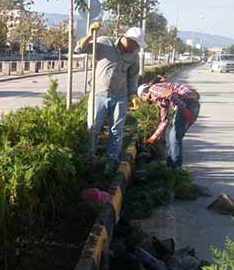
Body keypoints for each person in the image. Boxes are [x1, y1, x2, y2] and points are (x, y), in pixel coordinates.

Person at [75, 22, 145, 172]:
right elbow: (79, 48)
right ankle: (89, 159)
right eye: (136, 44)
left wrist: (132, 94)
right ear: (127, 39)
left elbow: (132, 76)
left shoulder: (133, 56)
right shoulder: (104, 43)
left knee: (116, 130)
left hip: (120, 96)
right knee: (93, 128)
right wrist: (90, 34)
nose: (137, 48)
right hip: (98, 95)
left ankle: (111, 162)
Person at [137, 82, 200, 168]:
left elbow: (170, 94)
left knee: (174, 137)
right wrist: (152, 138)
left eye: (142, 99)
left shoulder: (153, 89)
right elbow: (164, 122)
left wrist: (184, 109)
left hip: (188, 102)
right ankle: (170, 166)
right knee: (172, 137)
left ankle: (176, 169)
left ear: (144, 94)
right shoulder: (161, 101)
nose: (145, 102)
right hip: (192, 105)